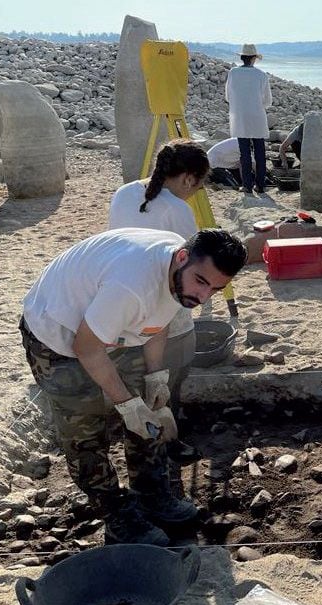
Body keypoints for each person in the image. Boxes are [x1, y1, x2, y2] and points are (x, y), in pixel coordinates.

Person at [19, 228, 247, 545]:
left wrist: (156, 379)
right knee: (84, 430)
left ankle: (150, 493)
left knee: (149, 407)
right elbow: (86, 348)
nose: (203, 296)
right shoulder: (130, 286)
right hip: (57, 335)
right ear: (182, 258)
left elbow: (158, 321)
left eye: (215, 289)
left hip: (109, 327)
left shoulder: (180, 272)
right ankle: (117, 515)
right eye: (201, 282)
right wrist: (127, 405)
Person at [108, 139, 208, 429]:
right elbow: (192, 264)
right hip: (159, 299)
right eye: (198, 187)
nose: (194, 194)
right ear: (189, 179)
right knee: (174, 364)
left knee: (136, 374)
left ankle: (141, 426)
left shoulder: (124, 192)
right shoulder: (176, 208)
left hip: (122, 298)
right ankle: (166, 430)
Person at [224, 43, 272, 196]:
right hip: (257, 116)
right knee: (259, 153)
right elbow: (267, 101)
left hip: (239, 117)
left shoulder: (233, 73)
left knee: (244, 153)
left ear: (243, 57)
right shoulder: (261, 75)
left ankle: (247, 186)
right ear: (253, 59)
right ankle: (261, 186)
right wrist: (256, 105)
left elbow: (228, 96)